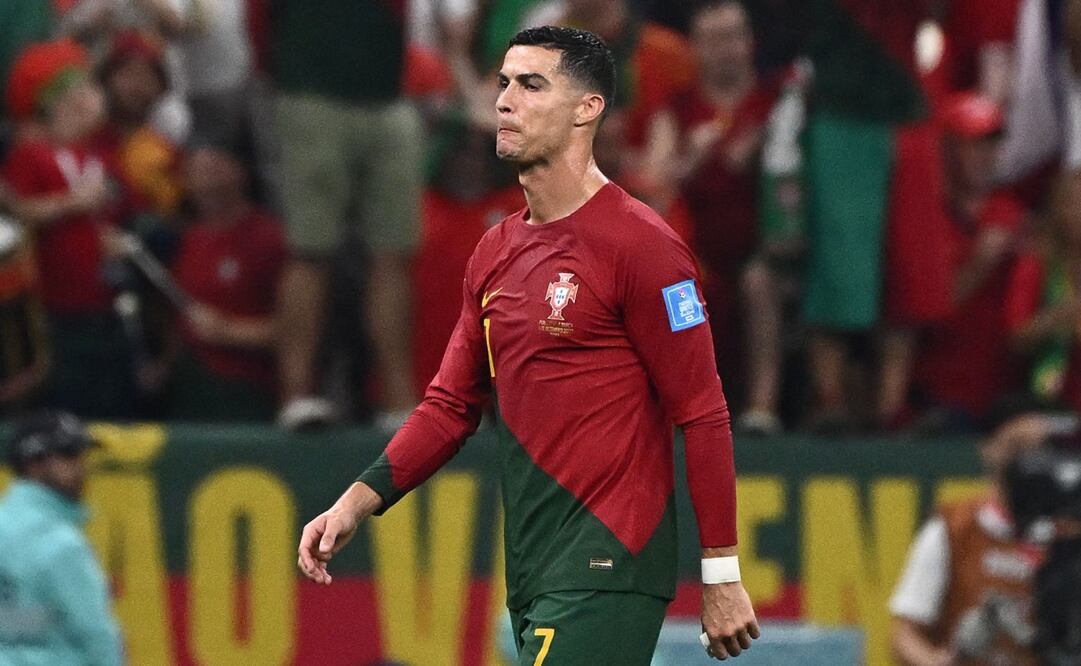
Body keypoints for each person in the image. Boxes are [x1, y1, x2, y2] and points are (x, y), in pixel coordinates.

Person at [298, 26, 759, 664]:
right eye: (504, 83)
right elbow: (449, 406)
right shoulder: (494, 251)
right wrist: (354, 503)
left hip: (607, 559)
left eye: (532, 84)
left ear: (587, 108)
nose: (505, 100)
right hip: (534, 570)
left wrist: (721, 575)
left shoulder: (644, 247)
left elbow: (703, 412)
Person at [272, 0, 424, 431]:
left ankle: (398, 400)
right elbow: (260, 20)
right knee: (310, 249)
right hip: (311, 90)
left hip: (387, 93)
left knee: (393, 252)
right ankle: (296, 394)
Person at [889, 408, 1050, 665]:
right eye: (1014, 446)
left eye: (1038, 449)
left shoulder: (1066, 536)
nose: (1024, 460)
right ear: (987, 449)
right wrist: (934, 662)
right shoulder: (952, 527)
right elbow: (904, 634)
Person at [0, 410, 124, 664]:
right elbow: (97, 635)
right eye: (68, 456)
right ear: (33, 463)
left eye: (81, 455)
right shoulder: (62, 545)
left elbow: (16, 621)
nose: (81, 467)